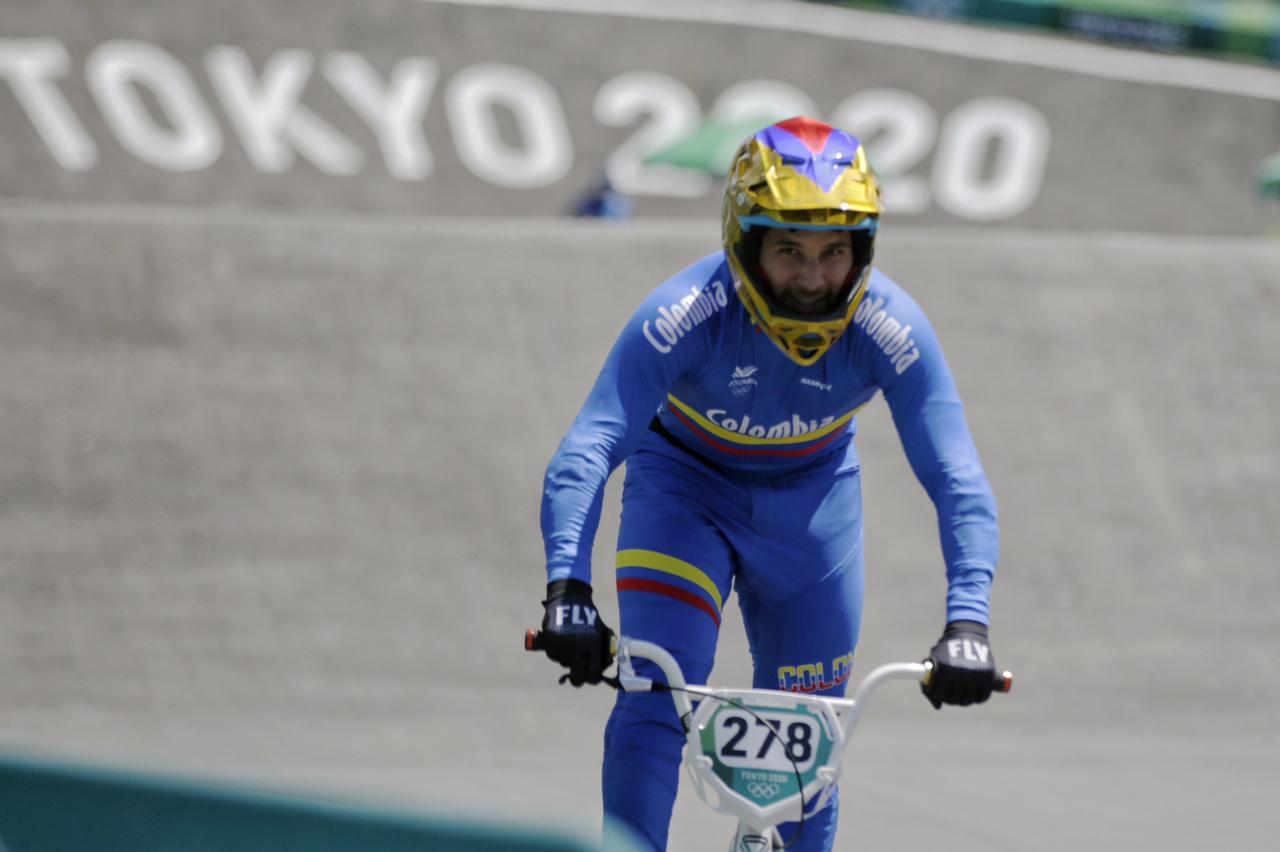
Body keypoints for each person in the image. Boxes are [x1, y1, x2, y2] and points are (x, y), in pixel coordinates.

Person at [536, 116, 999, 852]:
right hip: (683, 496)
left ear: (862, 251)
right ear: (744, 242)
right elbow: (590, 445)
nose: (814, 280)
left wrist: (968, 624)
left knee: (810, 743)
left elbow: (957, 477)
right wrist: (567, 589)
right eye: (788, 250)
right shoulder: (684, 316)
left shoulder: (891, 327)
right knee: (657, 698)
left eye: (833, 253)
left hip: (813, 512)